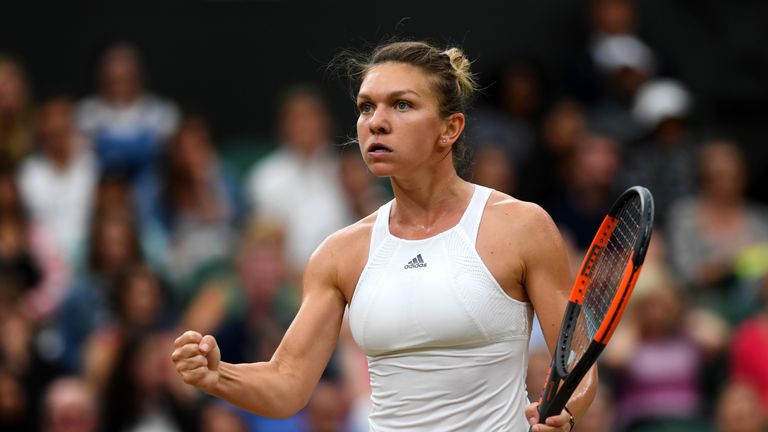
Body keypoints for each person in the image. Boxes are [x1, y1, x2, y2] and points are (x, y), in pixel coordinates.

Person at [172, 40, 596, 431]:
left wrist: (563, 413)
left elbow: (578, 364)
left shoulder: (522, 226)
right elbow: (287, 384)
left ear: (450, 129)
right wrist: (218, 374)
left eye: (402, 105)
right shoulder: (340, 253)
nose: (376, 122)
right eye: (365, 107)